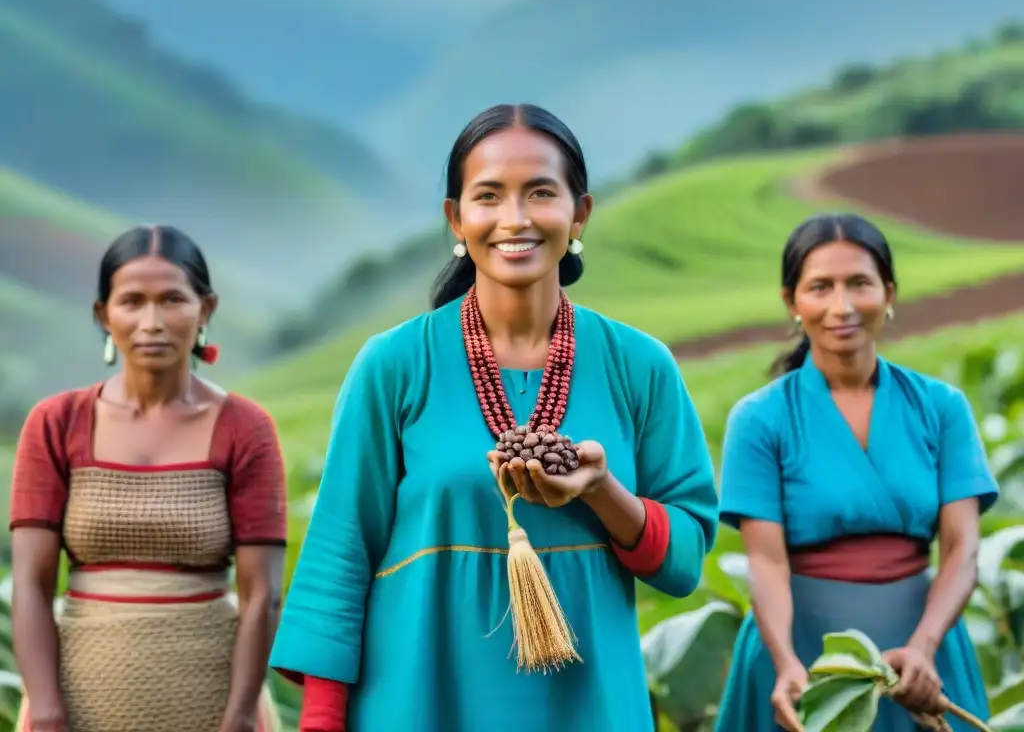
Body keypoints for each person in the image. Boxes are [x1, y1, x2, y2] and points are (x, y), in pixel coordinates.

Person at [269, 103, 720, 731]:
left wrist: (601, 489)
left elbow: (685, 560)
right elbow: (341, 552)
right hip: (420, 699)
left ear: (579, 213)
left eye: (540, 192)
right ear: (457, 217)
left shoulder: (639, 366)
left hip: (586, 703)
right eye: (489, 196)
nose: (516, 219)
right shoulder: (395, 364)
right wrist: (321, 721)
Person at [714, 213, 997, 732]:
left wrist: (925, 647)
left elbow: (963, 549)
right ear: (792, 302)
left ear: (888, 293)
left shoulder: (941, 407)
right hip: (802, 656)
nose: (841, 306)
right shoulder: (760, 419)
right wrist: (786, 664)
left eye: (860, 284)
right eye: (820, 287)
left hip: (923, 653)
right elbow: (766, 562)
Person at [10, 225, 288, 732]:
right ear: (104, 315)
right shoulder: (56, 423)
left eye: (172, 300)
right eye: (132, 301)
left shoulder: (246, 429)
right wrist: (47, 712)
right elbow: (30, 584)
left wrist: (242, 716)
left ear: (205, 310)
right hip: (78, 700)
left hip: (211, 698)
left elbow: (262, 593)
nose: (152, 322)